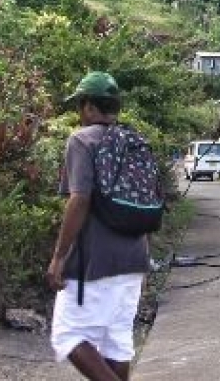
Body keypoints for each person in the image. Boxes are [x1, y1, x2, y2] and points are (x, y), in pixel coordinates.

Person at [47, 71, 149, 381]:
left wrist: (58, 257)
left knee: (67, 334)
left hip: (95, 263)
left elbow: (79, 200)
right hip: (134, 257)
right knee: (116, 343)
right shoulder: (134, 139)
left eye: (80, 105)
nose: (80, 113)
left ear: (90, 106)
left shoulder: (82, 140)